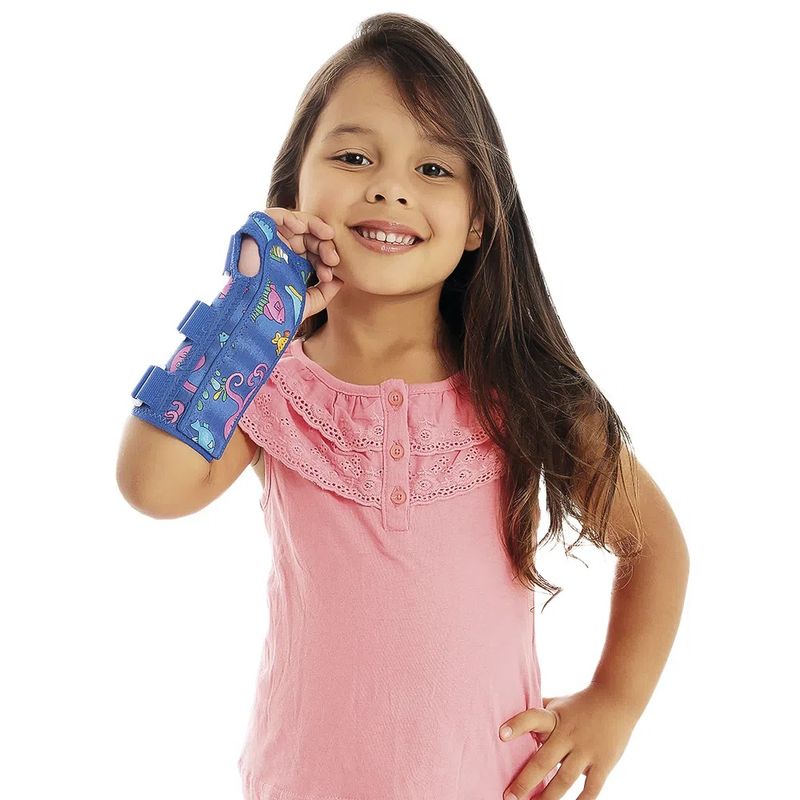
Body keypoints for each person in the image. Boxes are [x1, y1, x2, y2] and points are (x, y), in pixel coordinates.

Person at [118, 12, 689, 800]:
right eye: (354, 157)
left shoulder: (518, 384)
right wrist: (250, 313)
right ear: (294, 191)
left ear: (479, 219)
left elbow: (654, 545)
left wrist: (614, 704)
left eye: (433, 168)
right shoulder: (269, 378)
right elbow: (151, 485)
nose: (389, 186)